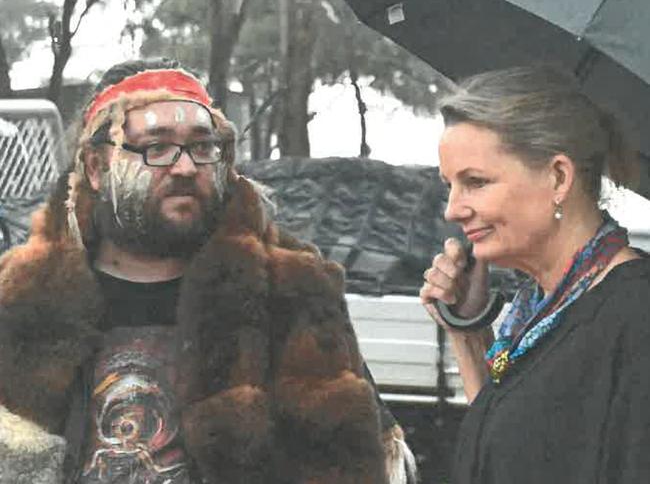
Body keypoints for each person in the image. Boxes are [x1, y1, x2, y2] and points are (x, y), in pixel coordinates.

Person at [0, 58, 416, 484]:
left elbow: (349, 463)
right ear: (95, 167)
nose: (185, 167)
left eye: (202, 147)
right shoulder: (21, 302)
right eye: (156, 147)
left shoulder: (289, 291)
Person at [419, 65, 650, 483]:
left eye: (475, 182)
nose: (452, 209)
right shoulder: (542, 310)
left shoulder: (636, 318)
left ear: (558, 177)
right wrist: (468, 330)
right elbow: (510, 450)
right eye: (449, 185)